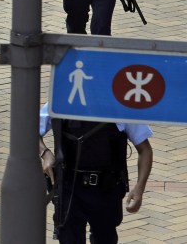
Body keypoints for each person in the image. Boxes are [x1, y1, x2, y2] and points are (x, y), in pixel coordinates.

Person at [39, 102, 152, 243]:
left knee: (105, 238)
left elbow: (145, 150)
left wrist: (139, 188)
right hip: (69, 189)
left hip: (106, 190)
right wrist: (45, 153)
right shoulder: (62, 100)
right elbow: (30, 128)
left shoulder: (121, 105)